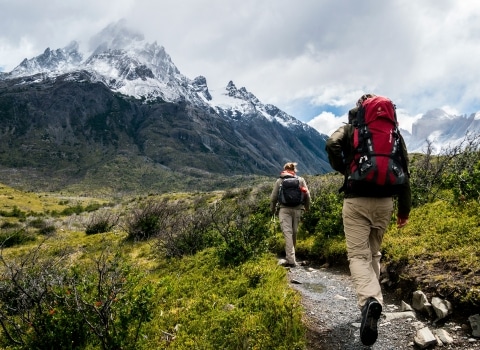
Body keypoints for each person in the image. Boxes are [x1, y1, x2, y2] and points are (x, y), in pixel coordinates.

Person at [325, 94, 411, 346]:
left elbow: (332, 144)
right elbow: (405, 170)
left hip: (356, 199)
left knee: (358, 256)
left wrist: (345, 168)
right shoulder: (393, 134)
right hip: (385, 202)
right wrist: (403, 211)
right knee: (374, 254)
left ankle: (370, 301)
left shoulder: (352, 128)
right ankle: (374, 302)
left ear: (360, 109)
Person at [270, 162, 311, 268]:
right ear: (294, 170)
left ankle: (291, 260)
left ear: (284, 169)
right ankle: (292, 258)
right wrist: (307, 208)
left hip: (284, 210)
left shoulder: (280, 180)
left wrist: (273, 210)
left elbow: (273, 198)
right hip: (297, 210)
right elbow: (307, 195)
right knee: (294, 232)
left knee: (287, 233)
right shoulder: (300, 180)